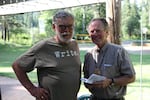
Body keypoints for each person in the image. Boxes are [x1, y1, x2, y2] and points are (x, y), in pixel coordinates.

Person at [12, 10, 81, 100]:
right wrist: (33, 90)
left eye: (70, 26)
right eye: (62, 27)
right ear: (54, 27)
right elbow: (17, 66)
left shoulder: (74, 45)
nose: (66, 30)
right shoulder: (44, 46)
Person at [83, 18, 136, 100]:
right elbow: (86, 81)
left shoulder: (119, 51)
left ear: (107, 32)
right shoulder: (88, 55)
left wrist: (111, 81)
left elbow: (131, 77)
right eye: (92, 31)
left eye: (98, 31)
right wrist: (89, 84)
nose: (95, 34)